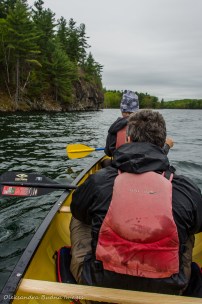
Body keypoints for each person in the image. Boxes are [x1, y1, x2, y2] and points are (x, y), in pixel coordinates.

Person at [70, 109, 202, 297]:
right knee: (189, 227)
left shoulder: (99, 181)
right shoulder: (185, 189)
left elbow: (78, 210)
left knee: (79, 216)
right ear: (162, 143)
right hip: (169, 291)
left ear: (129, 139)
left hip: (98, 287)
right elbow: (198, 226)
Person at [104, 90, 173, 158]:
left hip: (119, 164)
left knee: (106, 162)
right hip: (144, 164)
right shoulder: (146, 125)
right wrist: (167, 146)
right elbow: (157, 154)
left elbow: (108, 153)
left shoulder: (115, 127)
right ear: (137, 110)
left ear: (122, 110)